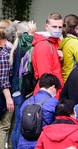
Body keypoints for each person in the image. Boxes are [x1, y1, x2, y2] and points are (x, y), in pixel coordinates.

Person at [5, 21, 36, 149]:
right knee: (19, 123)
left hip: (16, 91)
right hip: (22, 91)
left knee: (17, 123)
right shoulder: (22, 47)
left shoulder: (15, 48)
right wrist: (31, 33)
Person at [16, 73, 61, 149]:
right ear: (53, 87)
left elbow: (20, 125)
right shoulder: (55, 103)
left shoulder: (26, 102)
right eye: (56, 90)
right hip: (42, 144)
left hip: (23, 144)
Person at [32, 13, 64, 98]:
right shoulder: (43, 45)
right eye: (54, 27)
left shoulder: (54, 43)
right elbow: (45, 76)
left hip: (53, 90)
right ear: (47, 26)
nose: (57, 30)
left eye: (60, 27)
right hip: (49, 92)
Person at [59, 14, 78, 82]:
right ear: (77, 27)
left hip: (65, 78)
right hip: (73, 80)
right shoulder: (75, 43)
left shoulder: (64, 41)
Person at [0, 20, 13, 148]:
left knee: (11, 125)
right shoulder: (4, 53)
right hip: (5, 94)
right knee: (5, 125)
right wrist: (9, 98)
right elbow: (4, 78)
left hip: (9, 93)